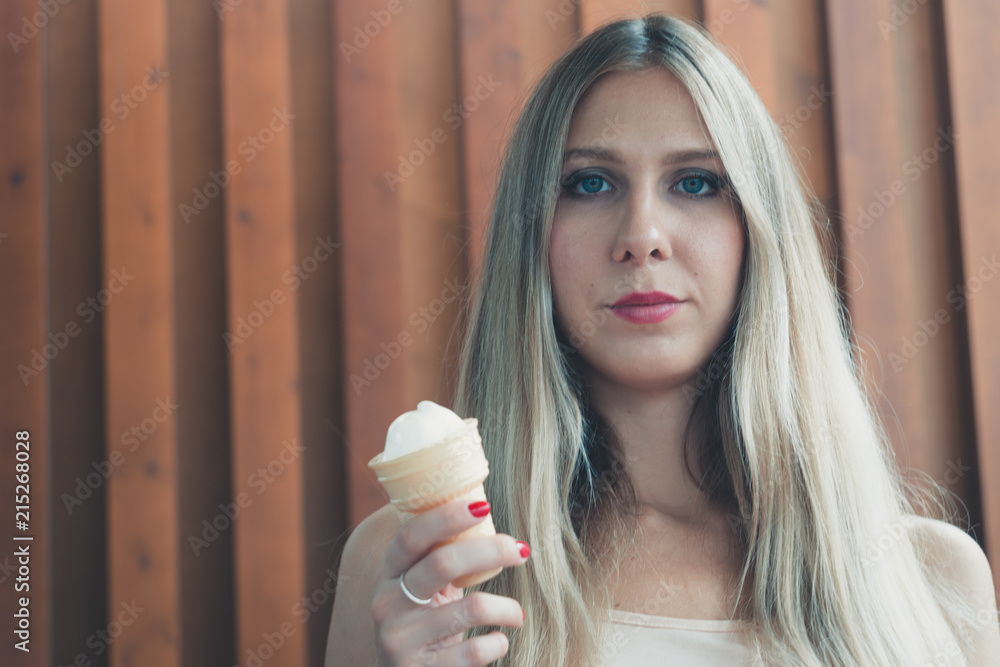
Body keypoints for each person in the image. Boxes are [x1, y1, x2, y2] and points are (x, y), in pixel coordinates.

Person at [327, 13, 1000, 667]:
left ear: (760, 235)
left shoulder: (935, 581)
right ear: (529, 239)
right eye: (590, 183)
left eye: (696, 182)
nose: (642, 234)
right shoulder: (413, 568)